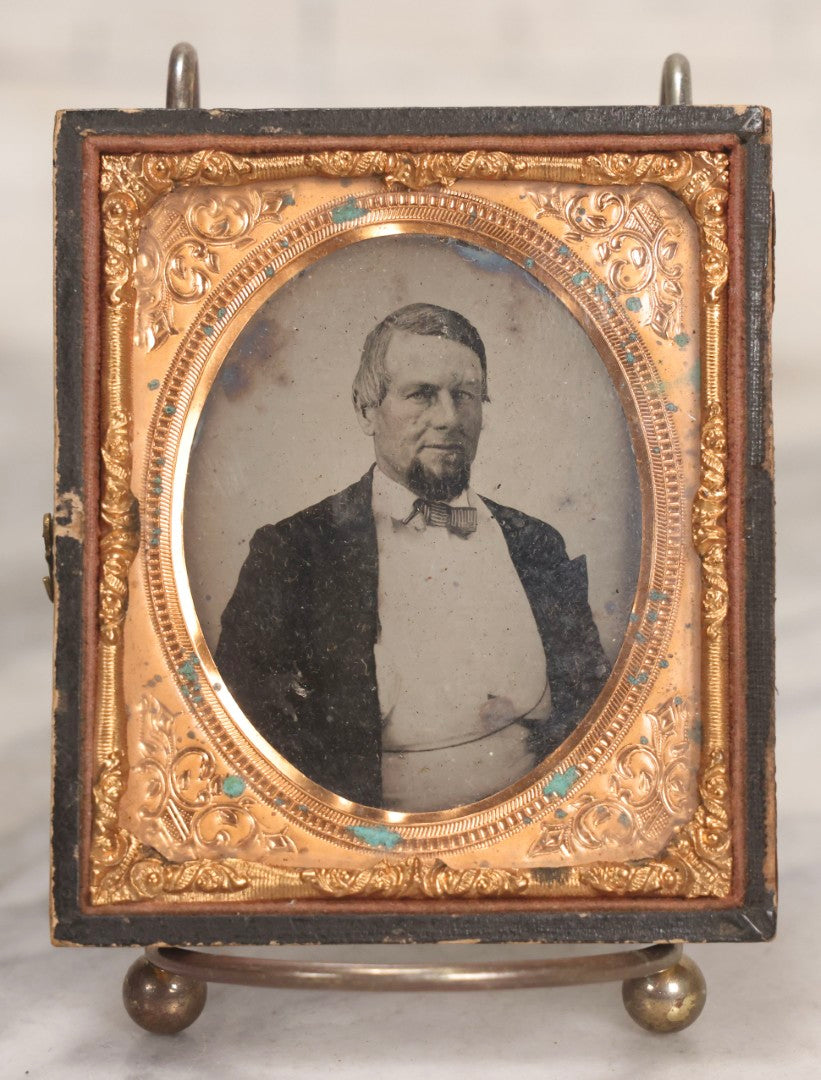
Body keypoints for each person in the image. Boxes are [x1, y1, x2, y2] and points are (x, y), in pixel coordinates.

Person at [215, 303, 609, 810]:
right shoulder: (294, 551)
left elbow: (590, 708)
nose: (449, 419)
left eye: (464, 395)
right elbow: (243, 735)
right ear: (366, 410)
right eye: (422, 394)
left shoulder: (537, 544)